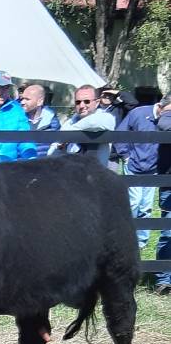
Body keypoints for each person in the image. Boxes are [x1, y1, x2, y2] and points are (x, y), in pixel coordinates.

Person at [115, 97, 164, 250]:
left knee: (146, 207)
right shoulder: (138, 113)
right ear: (162, 106)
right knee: (133, 203)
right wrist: (126, 157)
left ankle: (141, 243)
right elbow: (120, 135)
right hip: (134, 166)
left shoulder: (166, 121)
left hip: (153, 168)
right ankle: (125, 238)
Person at [49, 85, 116, 166]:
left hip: (96, 175)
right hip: (71, 174)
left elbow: (93, 123)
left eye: (87, 101)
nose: (81, 106)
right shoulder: (69, 123)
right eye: (78, 102)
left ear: (97, 102)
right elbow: (52, 152)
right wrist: (59, 147)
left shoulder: (106, 118)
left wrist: (69, 133)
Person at [149, 94, 171, 294]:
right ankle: (164, 279)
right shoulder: (166, 116)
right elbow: (164, 125)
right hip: (169, 182)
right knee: (168, 231)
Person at [19, 84, 60, 158]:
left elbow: (56, 148)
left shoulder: (53, 123)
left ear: (40, 101)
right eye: (22, 99)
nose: (22, 102)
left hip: (43, 166)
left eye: (27, 99)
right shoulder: (17, 120)